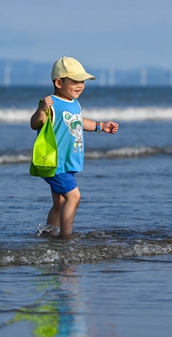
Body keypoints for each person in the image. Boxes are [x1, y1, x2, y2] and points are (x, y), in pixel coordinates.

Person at [30, 56, 119, 237]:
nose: (80, 85)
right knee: (74, 197)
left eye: (82, 81)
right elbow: (35, 123)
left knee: (60, 203)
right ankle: (66, 236)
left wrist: (100, 126)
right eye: (75, 81)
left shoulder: (74, 103)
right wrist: (41, 110)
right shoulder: (51, 103)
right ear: (59, 82)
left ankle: (49, 233)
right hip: (57, 162)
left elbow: (78, 121)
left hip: (68, 162)